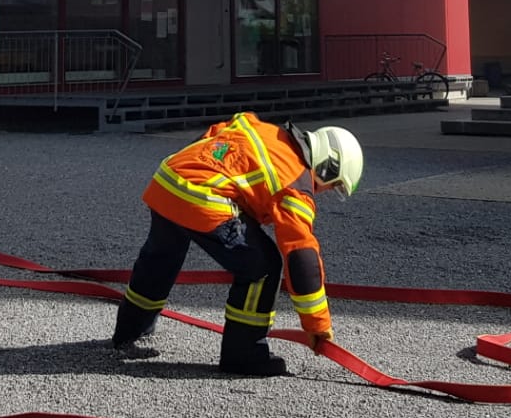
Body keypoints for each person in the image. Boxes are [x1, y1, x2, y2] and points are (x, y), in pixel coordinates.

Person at [110, 112, 363, 376]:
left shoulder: (261, 129)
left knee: (161, 257)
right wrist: (317, 325)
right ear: (328, 167)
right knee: (262, 267)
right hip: (201, 197)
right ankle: (244, 354)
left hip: (167, 179)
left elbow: (211, 137)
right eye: (331, 186)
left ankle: (129, 329)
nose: (323, 192)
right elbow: (301, 255)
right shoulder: (295, 181)